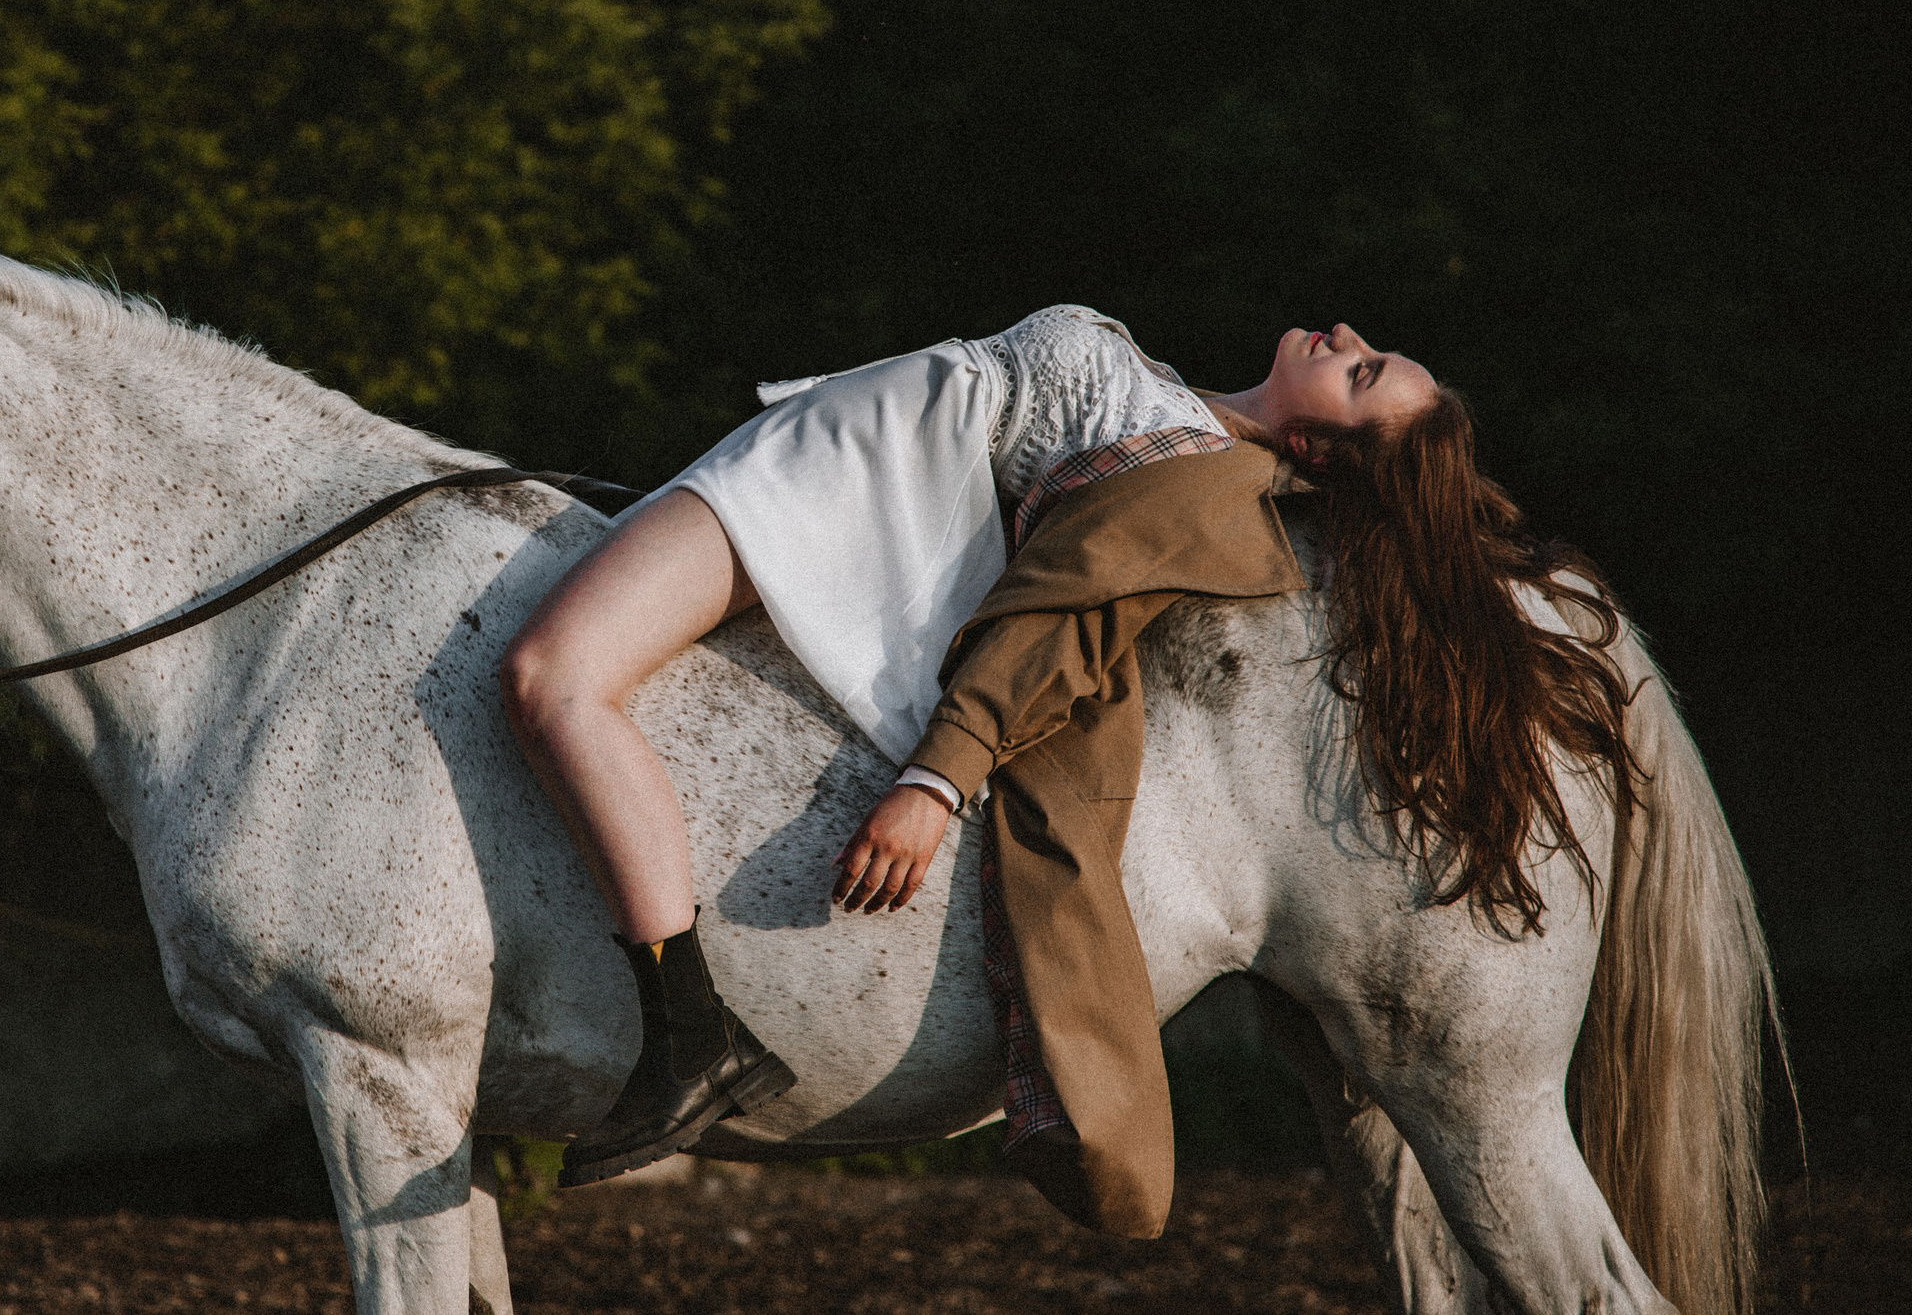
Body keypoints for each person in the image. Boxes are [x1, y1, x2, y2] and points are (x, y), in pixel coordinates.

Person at [499, 308, 1633, 1229]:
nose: (1342, 334)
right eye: (1365, 347)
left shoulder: (1193, 478)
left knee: (554, 674)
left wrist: (935, 780)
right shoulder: (1174, 408)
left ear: (1309, 450)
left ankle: (684, 1023)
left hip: (818, 500)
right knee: (558, 661)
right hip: (818, 470)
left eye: (1361, 369)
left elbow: (1069, 614)